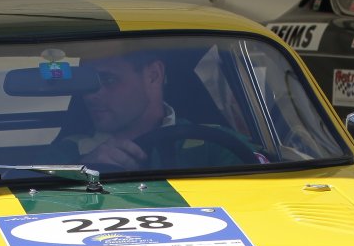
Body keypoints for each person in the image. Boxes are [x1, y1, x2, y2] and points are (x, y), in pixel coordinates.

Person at [53, 49, 261, 169]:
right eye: (88, 83)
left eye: (108, 79)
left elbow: (266, 186)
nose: (90, 95)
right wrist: (82, 169)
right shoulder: (65, 155)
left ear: (153, 75)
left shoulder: (214, 144)